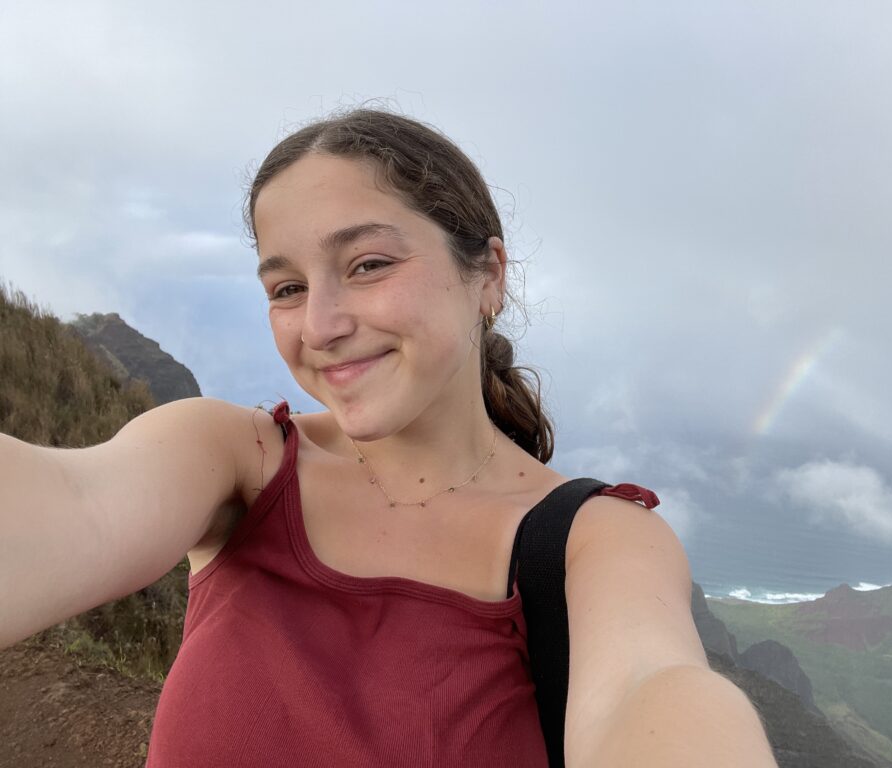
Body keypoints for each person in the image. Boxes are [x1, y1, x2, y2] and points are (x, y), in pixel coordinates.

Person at [0, 109, 776, 767]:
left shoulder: (597, 542)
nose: (321, 324)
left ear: (489, 276)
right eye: (287, 288)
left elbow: (653, 690)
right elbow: (79, 505)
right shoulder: (233, 462)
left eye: (367, 264)